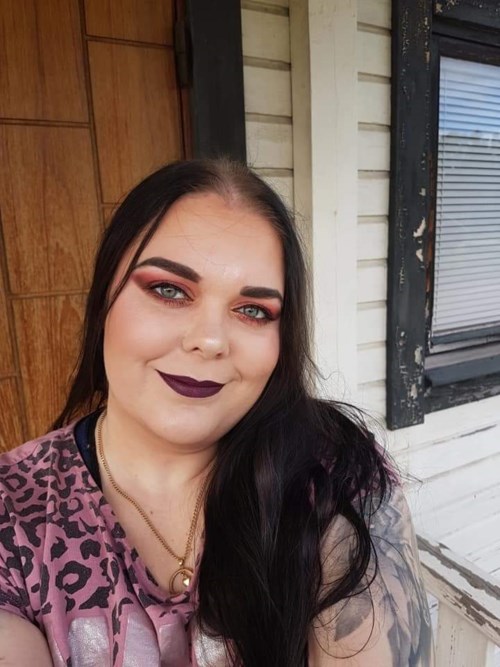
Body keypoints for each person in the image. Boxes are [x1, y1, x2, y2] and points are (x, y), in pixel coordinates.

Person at [0, 159, 434, 666]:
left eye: (253, 310)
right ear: (104, 301)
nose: (209, 341)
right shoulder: (15, 511)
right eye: (169, 290)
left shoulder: (333, 472)